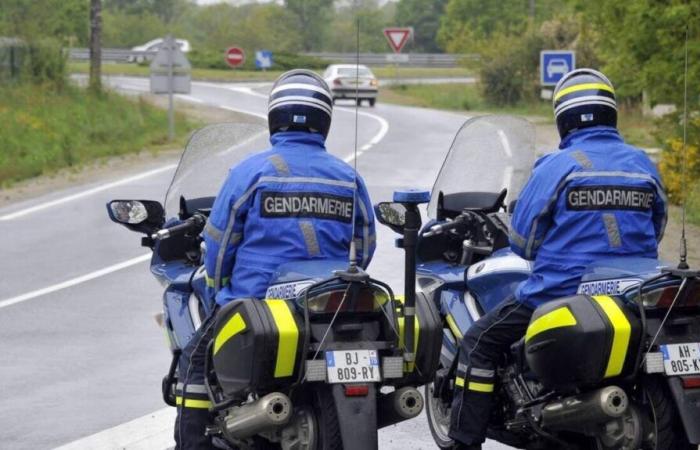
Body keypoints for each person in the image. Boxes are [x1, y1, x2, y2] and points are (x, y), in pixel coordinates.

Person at [448, 68, 667, 449]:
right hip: (637, 289)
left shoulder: (556, 166)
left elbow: (522, 243)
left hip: (562, 290)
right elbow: (658, 226)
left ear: (563, 119)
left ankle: (464, 441)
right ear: (610, 112)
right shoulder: (642, 164)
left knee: (479, 342)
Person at [174, 69, 376, 449]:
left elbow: (219, 245)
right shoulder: (348, 177)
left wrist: (218, 291)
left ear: (274, 117)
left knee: (194, 360)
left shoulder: (250, 172)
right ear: (324, 121)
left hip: (258, 301)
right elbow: (364, 246)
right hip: (330, 304)